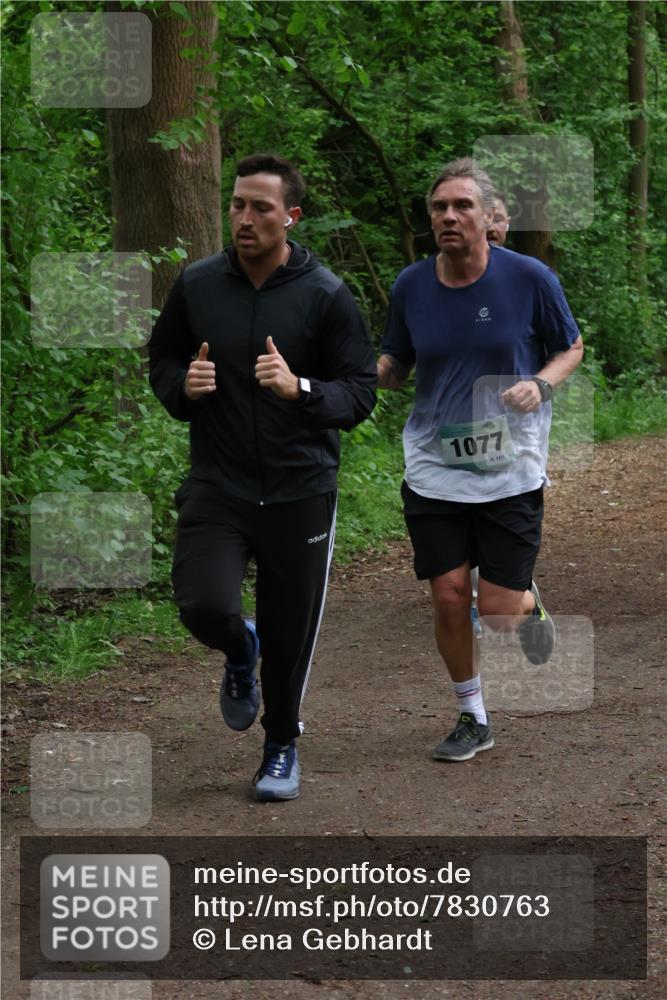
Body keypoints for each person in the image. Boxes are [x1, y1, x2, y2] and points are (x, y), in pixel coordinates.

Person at [149, 153, 376, 800]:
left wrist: (300, 387)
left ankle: (280, 747)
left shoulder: (325, 295)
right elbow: (161, 358)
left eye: (260, 208)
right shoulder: (197, 285)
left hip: (299, 490)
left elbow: (359, 394)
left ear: (291, 217)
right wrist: (182, 388)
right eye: (237, 205)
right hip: (218, 484)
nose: (243, 219)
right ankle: (237, 648)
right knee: (203, 605)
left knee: (289, 632)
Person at [377, 157, 583, 762]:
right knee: (446, 594)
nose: (448, 216)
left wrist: (541, 384)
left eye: (461, 206)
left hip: (510, 465)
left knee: (495, 614)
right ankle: (472, 715)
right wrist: (350, 381)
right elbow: (395, 361)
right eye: (439, 207)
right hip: (434, 464)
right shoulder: (411, 285)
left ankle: (524, 599)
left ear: (486, 216)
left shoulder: (529, 278)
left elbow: (570, 347)